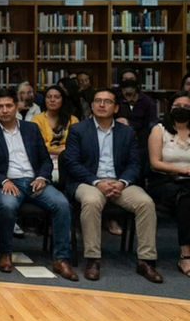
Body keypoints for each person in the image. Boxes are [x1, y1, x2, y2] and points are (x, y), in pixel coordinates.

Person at [63, 88, 163, 283]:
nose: (101, 105)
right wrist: (97, 182)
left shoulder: (126, 132)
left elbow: (134, 164)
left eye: (107, 101)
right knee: (92, 202)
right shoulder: (78, 130)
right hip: (89, 182)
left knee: (146, 203)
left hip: (120, 183)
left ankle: (146, 260)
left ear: (116, 108)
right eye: (97, 101)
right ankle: (93, 259)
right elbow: (72, 163)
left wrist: (122, 182)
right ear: (92, 106)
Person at [0, 88, 78, 281]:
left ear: (16, 106)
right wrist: (4, 180)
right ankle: (5, 253)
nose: (5, 110)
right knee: (7, 206)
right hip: (8, 182)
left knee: (62, 204)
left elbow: (45, 160)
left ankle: (61, 258)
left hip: (35, 181)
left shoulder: (31, 128)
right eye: (0, 107)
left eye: (9, 106)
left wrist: (42, 177)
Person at [146, 91, 190, 277]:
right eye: (177, 106)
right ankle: (186, 255)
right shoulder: (159, 130)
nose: (182, 109)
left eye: (186, 107)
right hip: (164, 180)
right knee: (186, 199)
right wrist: (183, 170)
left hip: (188, 182)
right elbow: (155, 162)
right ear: (169, 108)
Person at [31, 85, 79, 182]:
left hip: (68, 159)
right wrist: (60, 150)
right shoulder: (36, 120)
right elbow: (37, 146)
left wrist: (60, 151)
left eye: (56, 97)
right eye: (49, 97)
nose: (52, 100)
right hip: (45, 159)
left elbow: (76, 145)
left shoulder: (73, 120)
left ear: (63, 100)